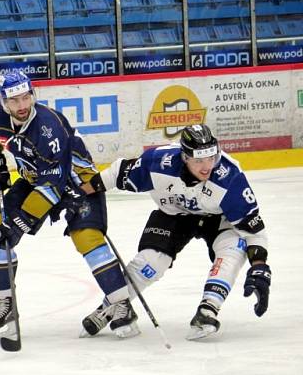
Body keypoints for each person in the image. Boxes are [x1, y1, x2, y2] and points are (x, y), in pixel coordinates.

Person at [0, 71, 135, 341]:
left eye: (26, 97)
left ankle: (121, 303)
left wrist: (21, 222)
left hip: (78, 184)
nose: (22, 105)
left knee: (87, 238)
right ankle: (4, 305)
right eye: (14, 100)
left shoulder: (48, 127)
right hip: (34, 179)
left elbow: (52, 187)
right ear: (4, 101)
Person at [79, 124, 271, 340]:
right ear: (185, 157)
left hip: (217, 218)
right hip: (174, 214)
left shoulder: (230, 178)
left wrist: (260, 266)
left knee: (234, 247)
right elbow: (117, 172)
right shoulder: (158, 163)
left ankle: (208, 309)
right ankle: (112, 305)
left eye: (211, 158)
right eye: (199, 160)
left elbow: (254, 229)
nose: (207, 166)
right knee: (150, 262)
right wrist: (80, 193)